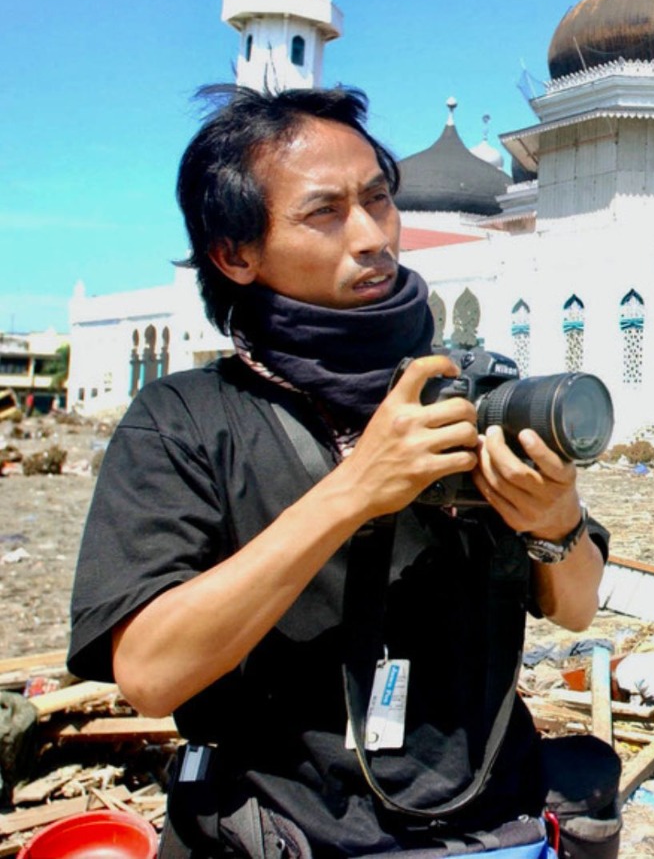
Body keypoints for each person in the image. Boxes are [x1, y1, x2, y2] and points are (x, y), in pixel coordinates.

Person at [68, 86, 616, 857]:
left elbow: (580, 608)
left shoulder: (472, 394)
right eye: (324, 213)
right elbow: (152, 674)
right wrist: (355, 491)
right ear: (235, 253)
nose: (372, 237)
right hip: (277, 833)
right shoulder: (186, 419)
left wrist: (554, 519)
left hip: (491, 828)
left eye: (381, 201)